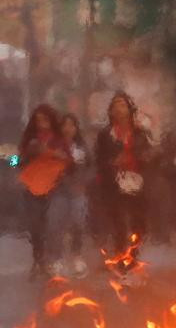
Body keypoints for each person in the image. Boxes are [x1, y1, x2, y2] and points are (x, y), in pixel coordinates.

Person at [94, 91, 154, 256]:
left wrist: (143, 158)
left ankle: (133, 256)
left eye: (122, 104)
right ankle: (122, 258)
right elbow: (98, 160)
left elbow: (151, 155)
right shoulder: (106, 135)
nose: (119, 109)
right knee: (119, 222)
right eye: (115, 105)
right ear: (111, 111)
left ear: (129, 108)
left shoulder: (140, 133)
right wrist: (113, 163)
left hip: (137, 183)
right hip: (114, 184)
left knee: (138, 223)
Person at [17, 105, 66, 279]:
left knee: (52, 225)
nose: (41, 123)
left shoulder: (60, 139)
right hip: (31, 187)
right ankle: (38, 260)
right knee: (36, 228)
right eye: (38, 120)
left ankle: (52, 260)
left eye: (44, 119)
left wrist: (54, 154)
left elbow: (71, 161)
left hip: (54, 188)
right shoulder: (29, 139)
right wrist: (22, 157)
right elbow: (15, 161)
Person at [53, 113, 91, 277]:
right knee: (56, 225)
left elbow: (91, 167)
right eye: (64, 125)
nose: (68, 129)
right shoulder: (51, 146)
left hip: (77, 192)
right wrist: (11, 161)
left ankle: (77, 257)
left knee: (78, 224)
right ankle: (56, 258)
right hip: (57, 192)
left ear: (76, 128)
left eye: (71, 125)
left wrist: (83, 183)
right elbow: (21, 159)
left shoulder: (82, 148)